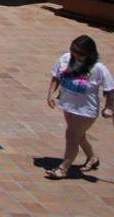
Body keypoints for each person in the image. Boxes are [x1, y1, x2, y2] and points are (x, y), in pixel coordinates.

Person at [46, 35, 114, 179]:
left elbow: (110, 89)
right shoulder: (66, 59)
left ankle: (63, 169)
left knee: (71, 135)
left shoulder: (98, 68)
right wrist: (51, 94)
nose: (75, 55)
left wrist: (109, 107)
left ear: (89, 53)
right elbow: (56, 77)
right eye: (73, 51)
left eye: (80, 53)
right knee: (78, 135)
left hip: (86, 111)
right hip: (68, 105)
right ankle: (92, 157)